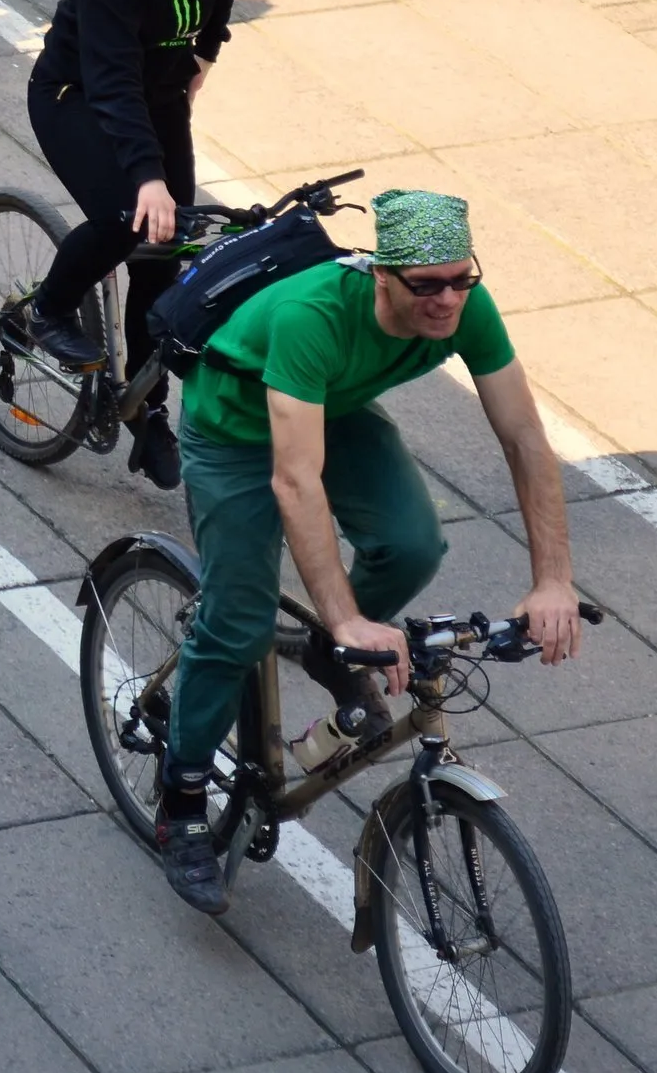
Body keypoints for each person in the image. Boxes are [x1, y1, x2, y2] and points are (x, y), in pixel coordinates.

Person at [155, 190, 582, 915]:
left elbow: (525, 440)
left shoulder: (466, 306)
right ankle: (184, 793)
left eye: (460, 278)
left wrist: (553, 580)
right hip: (234, 426)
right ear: (380, 275)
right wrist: (347, 615)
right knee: (238, 625)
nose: (447, 300)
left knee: (413, 542)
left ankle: (326, 651)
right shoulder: (312, 316)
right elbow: (295, 481)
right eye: (426, 286)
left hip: (332, 408)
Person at [18, 0, 237, 491]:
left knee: (166, 252)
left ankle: (146, 410)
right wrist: (146, 178)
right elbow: (110, 83)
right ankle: (45, 309)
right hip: (75, 94)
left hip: (159, 91)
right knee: (128, 219)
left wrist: (204, 55)